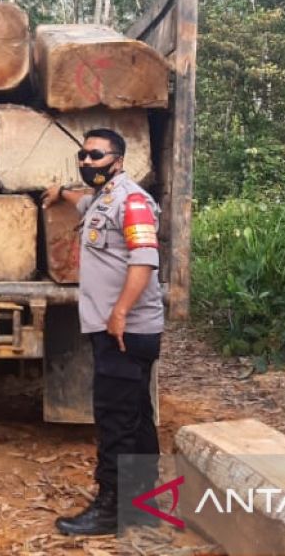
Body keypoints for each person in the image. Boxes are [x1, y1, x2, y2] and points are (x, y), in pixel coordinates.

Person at [42, 128, 164, 537]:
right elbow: (86, 203)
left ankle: (111, 509)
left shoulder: (133, 202)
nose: (87, 162)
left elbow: (144, 260)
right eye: (82, 155)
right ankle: (142, 503)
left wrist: (120, 312)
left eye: (95, 155)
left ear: (119, 159)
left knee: (115, 420)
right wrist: (62, 193)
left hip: (125, 330)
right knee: (136, 417)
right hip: (117, 328)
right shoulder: (105, 198)